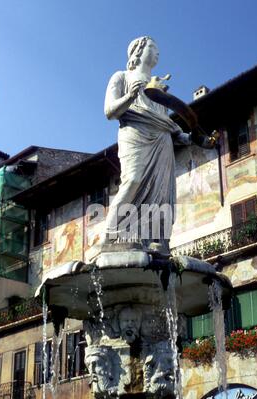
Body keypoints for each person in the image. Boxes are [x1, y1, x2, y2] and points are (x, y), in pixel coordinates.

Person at [103, 36, 191, 252]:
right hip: (135, 133)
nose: (158, 52)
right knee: (133, 180)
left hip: (162, 141)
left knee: (160, 194)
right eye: (153, 46)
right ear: (138, 50)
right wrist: (131, 96)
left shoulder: (159, 86)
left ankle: (156, 241)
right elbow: (109, 111)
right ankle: (111, 237)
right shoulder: (121, 76)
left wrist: (189, 137)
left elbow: (165, 121)